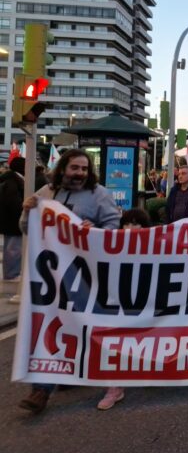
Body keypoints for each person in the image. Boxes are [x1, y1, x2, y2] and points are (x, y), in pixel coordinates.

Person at [18, 148, 121, 414]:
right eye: (75, 168)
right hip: (50, 278)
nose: (80, 173)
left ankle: (73, 370)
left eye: (84, 169)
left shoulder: (99, 194)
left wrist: (95, 231)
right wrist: (28, 211)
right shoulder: (46, 193)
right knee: (49, 326)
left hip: (84, 277)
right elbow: (27, 229)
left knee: (83, 326)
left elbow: (113, 228)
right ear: (63, 168)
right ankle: (41, 390)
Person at [96, 207, 152, 411]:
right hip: (120, 303)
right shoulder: (113, 244)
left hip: (148, 304)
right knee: (115, 340)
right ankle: (115, 387)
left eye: (136, 223)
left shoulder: (158, 243)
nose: (130, 227)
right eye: (126, 223)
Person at [0, 157, 25, 281]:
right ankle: (11, 275)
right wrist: (22, 215)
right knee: (13, 249)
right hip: (13, 222)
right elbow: (13, 203)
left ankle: (11, 273)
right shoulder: (13, 181)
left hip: (10, 222)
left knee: (12, 249)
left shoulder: (11, 179)